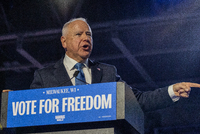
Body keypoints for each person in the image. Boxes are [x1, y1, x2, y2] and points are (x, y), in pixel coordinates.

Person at [30, 18, 200, 112]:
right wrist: (8, 104)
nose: (86, 38)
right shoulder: (44, 77)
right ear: (64, 41)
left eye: (89, 34)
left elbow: (138, 101)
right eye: (78, 34)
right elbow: (30, 111)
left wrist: (171, 90)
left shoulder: (107, 73)